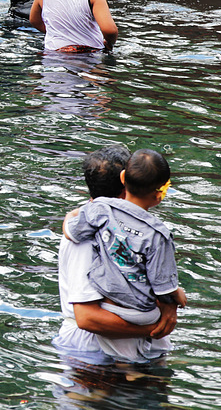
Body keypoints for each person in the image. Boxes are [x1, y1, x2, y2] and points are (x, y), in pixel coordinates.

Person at [54, 145, 177, 364]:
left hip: (130, 342)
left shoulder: (94, 221)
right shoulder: (87, 237)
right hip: (94, 352)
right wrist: (154, 327)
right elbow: (87, 318)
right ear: (124, 185)